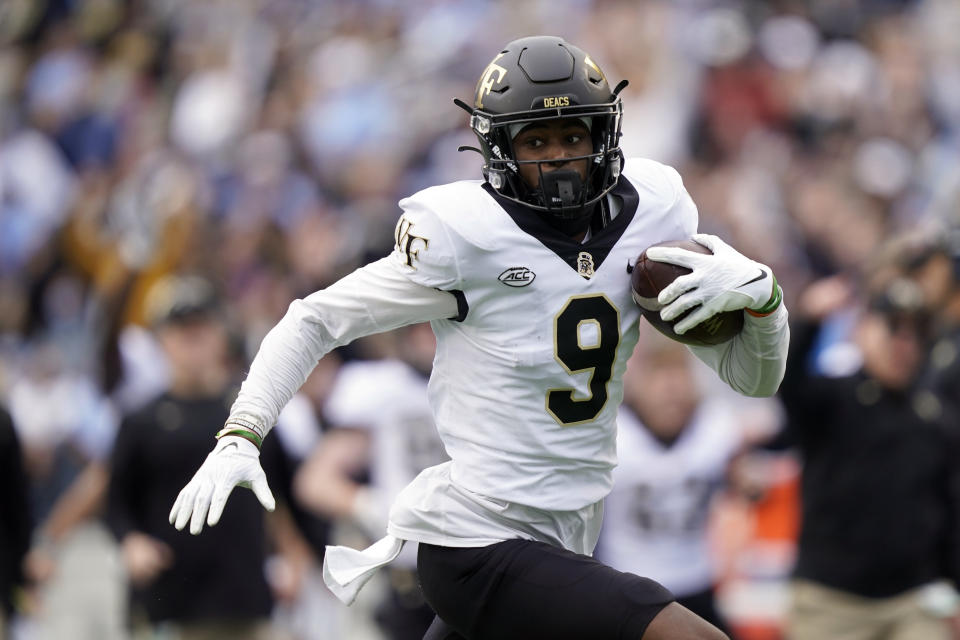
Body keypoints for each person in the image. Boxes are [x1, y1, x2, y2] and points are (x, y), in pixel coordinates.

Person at [169, 36, 789, 640]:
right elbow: (315, 318)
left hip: (563, 536)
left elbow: (756, 379)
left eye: (573, 136)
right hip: (477, 544)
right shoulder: (467, 237)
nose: (557, 158)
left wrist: (765, 299)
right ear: (498, 149)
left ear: (605, 136)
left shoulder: (657, 213)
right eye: (535, 140)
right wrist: (242, 431)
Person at [778, 275, 960, 640]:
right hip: (831, 601)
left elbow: (949, 511)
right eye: (893, 328)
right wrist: (809, 322)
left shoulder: (934, 416)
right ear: (863, 330)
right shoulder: (834, 398)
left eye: (916, 333)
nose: (904, 344)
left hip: (912, 599)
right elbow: (787, 384)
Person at [597, 329, 755, 636]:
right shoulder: (611, 434)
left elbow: (744, 477)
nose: (670, 388)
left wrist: (744, 480)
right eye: (658, 373)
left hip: (697, 582)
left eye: (679, 372)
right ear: (634, 380)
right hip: (627, 586)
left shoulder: (717, 426)